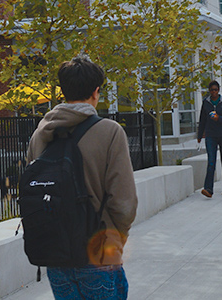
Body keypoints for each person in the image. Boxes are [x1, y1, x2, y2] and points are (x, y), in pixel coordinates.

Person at [25, 56, 138, 300]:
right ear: (96, 91)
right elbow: (123, 201)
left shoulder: (41, 134)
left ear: (63, 91)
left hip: (56, 253)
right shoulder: (110, 132)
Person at [197, 81, 222, 198]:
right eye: (211, 90)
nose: (213, 92)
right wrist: (199, 135)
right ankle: (208, 189)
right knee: (211, 162)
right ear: (209, 90)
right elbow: (202, 119)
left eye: (215, 90)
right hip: (211, 135)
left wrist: (220, 118)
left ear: (219, 90)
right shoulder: (206, 103)